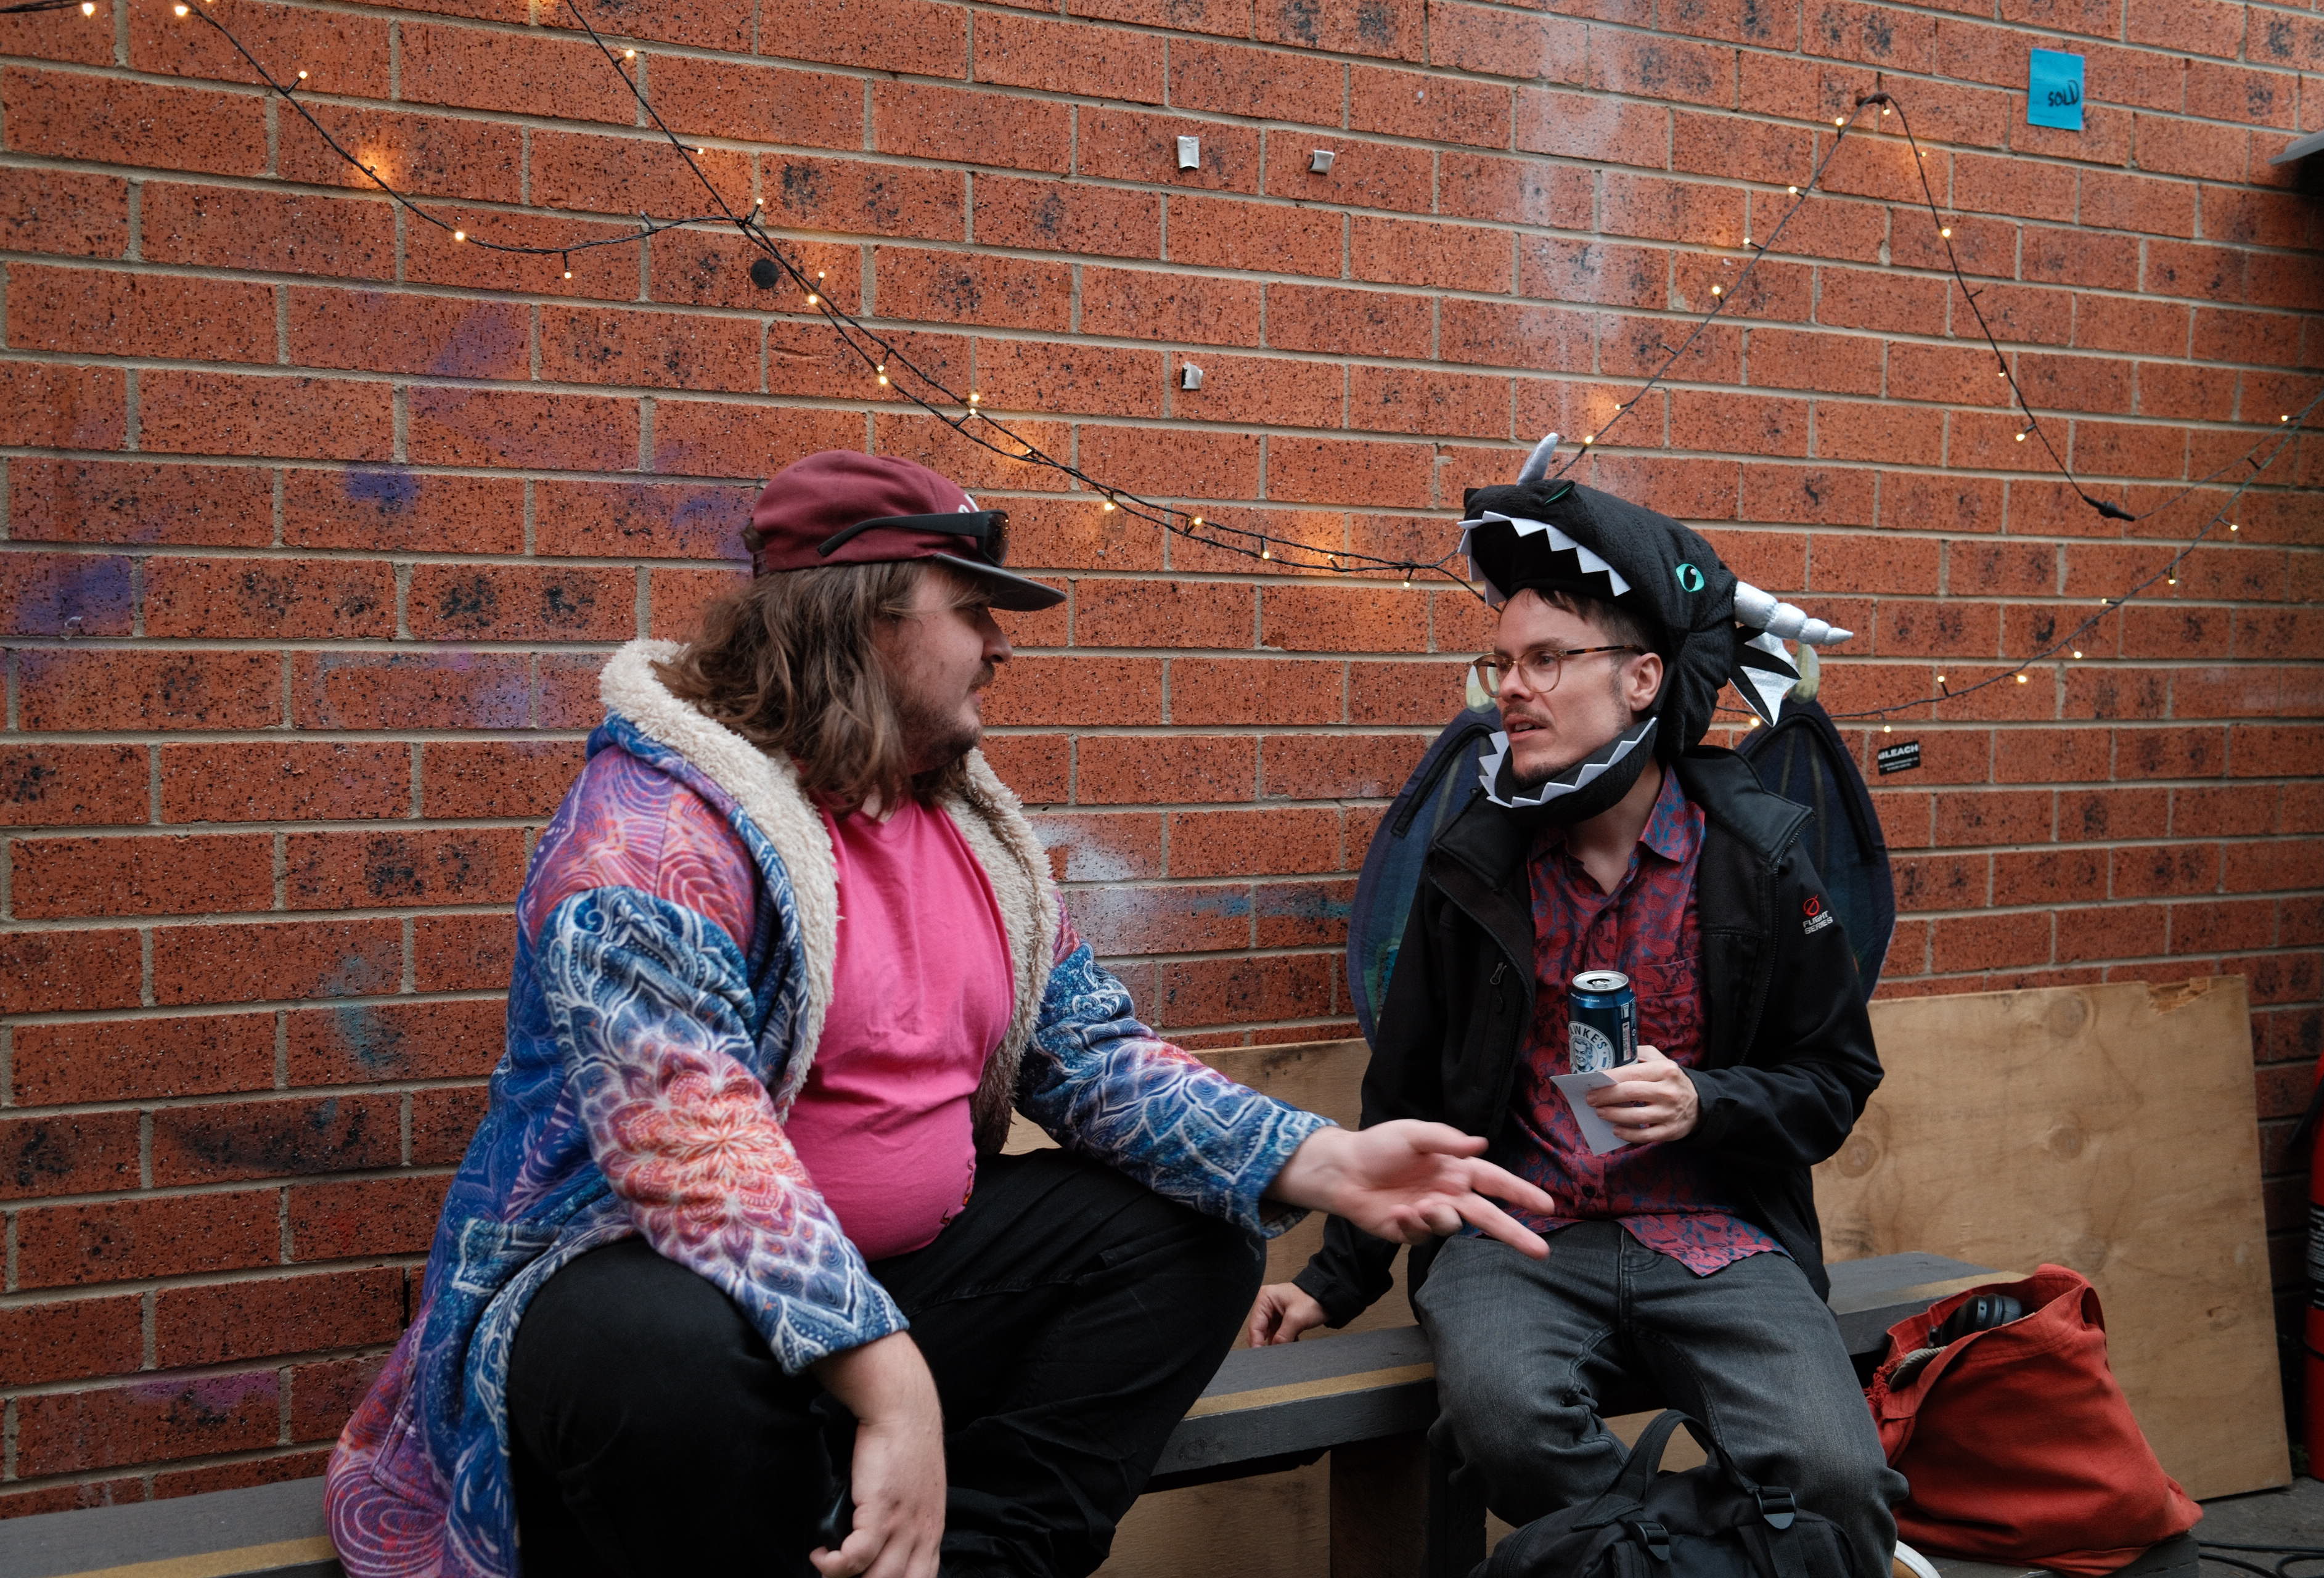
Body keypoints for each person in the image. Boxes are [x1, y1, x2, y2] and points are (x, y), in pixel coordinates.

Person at [322, 449, 1552, 1578]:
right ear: (862, 617)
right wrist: (888, 1374)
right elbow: (691, 1145)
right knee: (655, 1345)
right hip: (638, 1309)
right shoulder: (651, 832)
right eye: (972, 612)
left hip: (893, 1284)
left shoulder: (966, 829)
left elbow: (1090, 1053)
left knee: (1189, 1232)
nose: (1001, 647)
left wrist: (1323, 1157)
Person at [1247, 457, 1907, 1577]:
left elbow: (1836, 1079)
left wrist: (1707, 1103)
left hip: (1717, 1237)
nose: (1512, 689)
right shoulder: (1472, 869)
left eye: (1548, 659)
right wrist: (1329, 1281)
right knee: (1507, 1429)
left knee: (1837, 1480)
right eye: (1501, 663)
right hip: (1517, 1235)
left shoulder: (1757, 862)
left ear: (1643, 679)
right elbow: (1406, 1096)